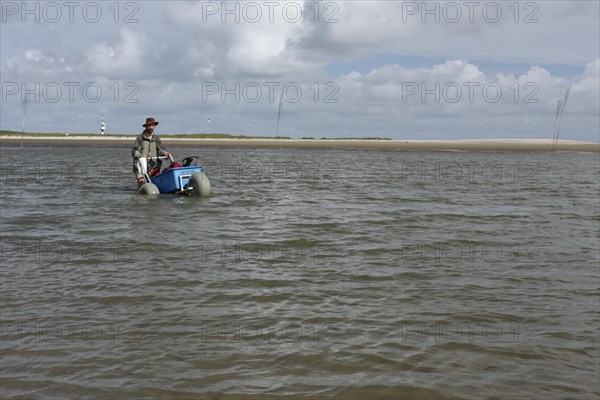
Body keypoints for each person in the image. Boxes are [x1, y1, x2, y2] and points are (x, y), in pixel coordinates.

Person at [132, 117, 172, 188]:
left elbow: (161, 150)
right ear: (146, 126)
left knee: (153, 183)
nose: (151, 127)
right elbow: (134, 151)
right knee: (141, 181)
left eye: (152, 125)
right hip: (140, 165)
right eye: (149, 125)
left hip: (153, 166)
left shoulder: (156, 138)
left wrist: (166, 154)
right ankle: (139, 195)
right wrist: (141, 156)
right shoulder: (140, 138)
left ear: (154, 126)